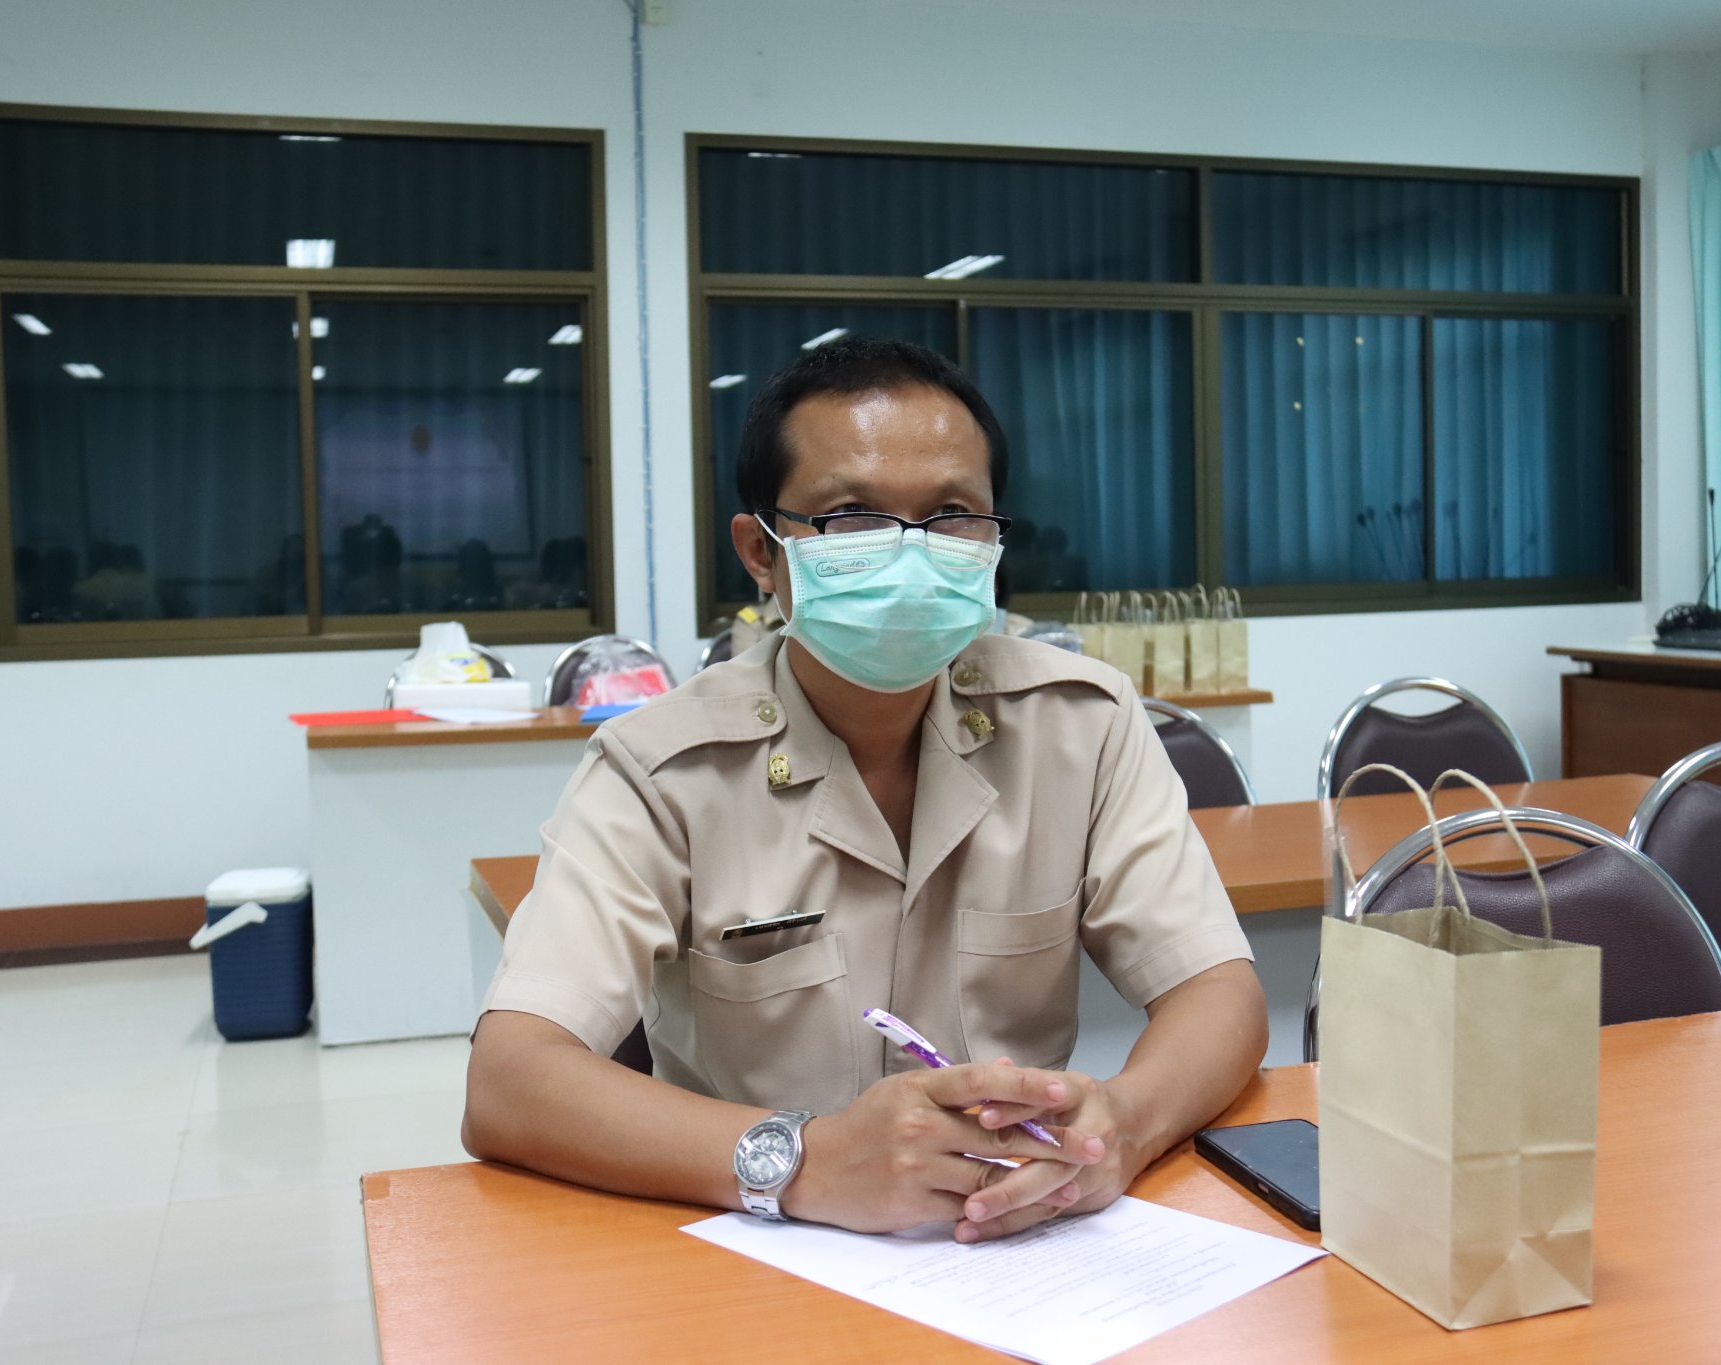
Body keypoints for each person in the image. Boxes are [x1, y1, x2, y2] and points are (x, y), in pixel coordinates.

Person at [464, 337, 1266, 1243]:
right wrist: (806, 1160)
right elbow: (509, 1079)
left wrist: (1123, 1125)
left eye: (952, 516)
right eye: (851, 517)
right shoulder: (661, 768)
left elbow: (1220, 992)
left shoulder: (1083, 723)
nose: (910, 556)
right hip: (754, 1242)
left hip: (1018, 1244)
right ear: (761, 551)